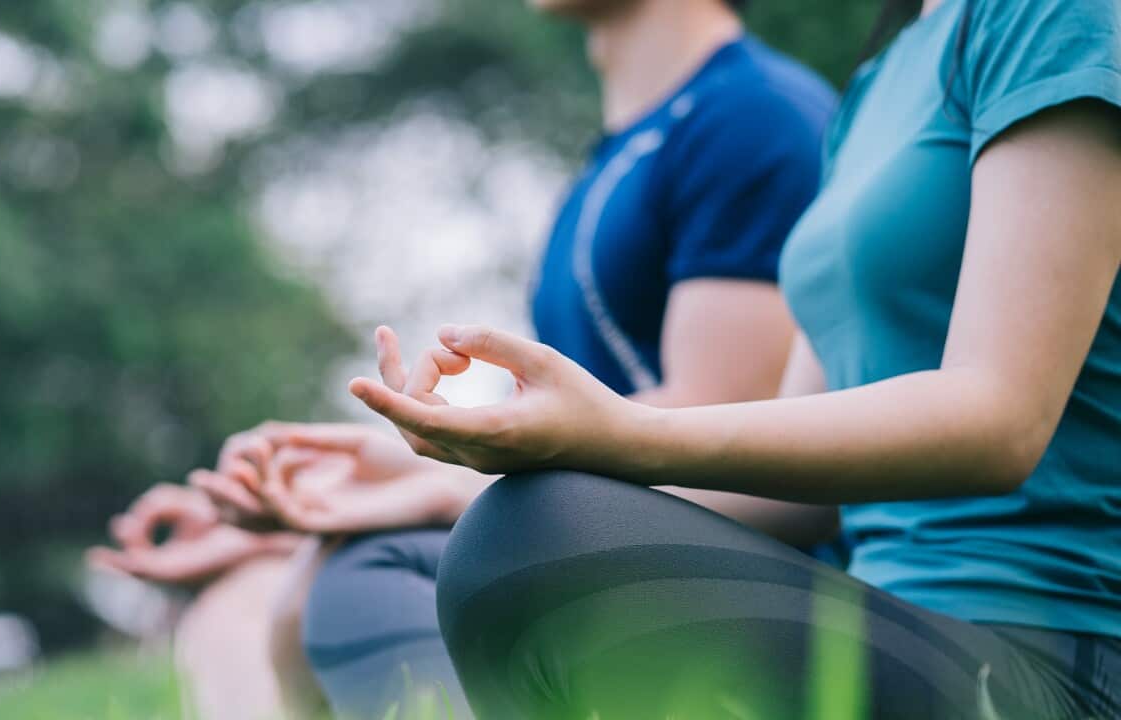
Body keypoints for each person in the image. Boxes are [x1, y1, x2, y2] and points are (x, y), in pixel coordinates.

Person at [351, 0, 1121, 717]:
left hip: (1056, 661)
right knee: (503, 523)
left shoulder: (1050, 15)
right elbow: (801, 496)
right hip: (893, 614)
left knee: (526, 542)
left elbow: (1002, 420)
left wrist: (617, 434)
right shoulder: (880, 78)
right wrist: (525, 453)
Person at [93, 0, 836, 716]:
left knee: (344, 579)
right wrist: (317, 499)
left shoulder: (755, 117)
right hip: (596, 537)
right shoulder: (628, 149)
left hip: (728, 577)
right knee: (238, 601)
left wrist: (438, 489)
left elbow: (726, 428)